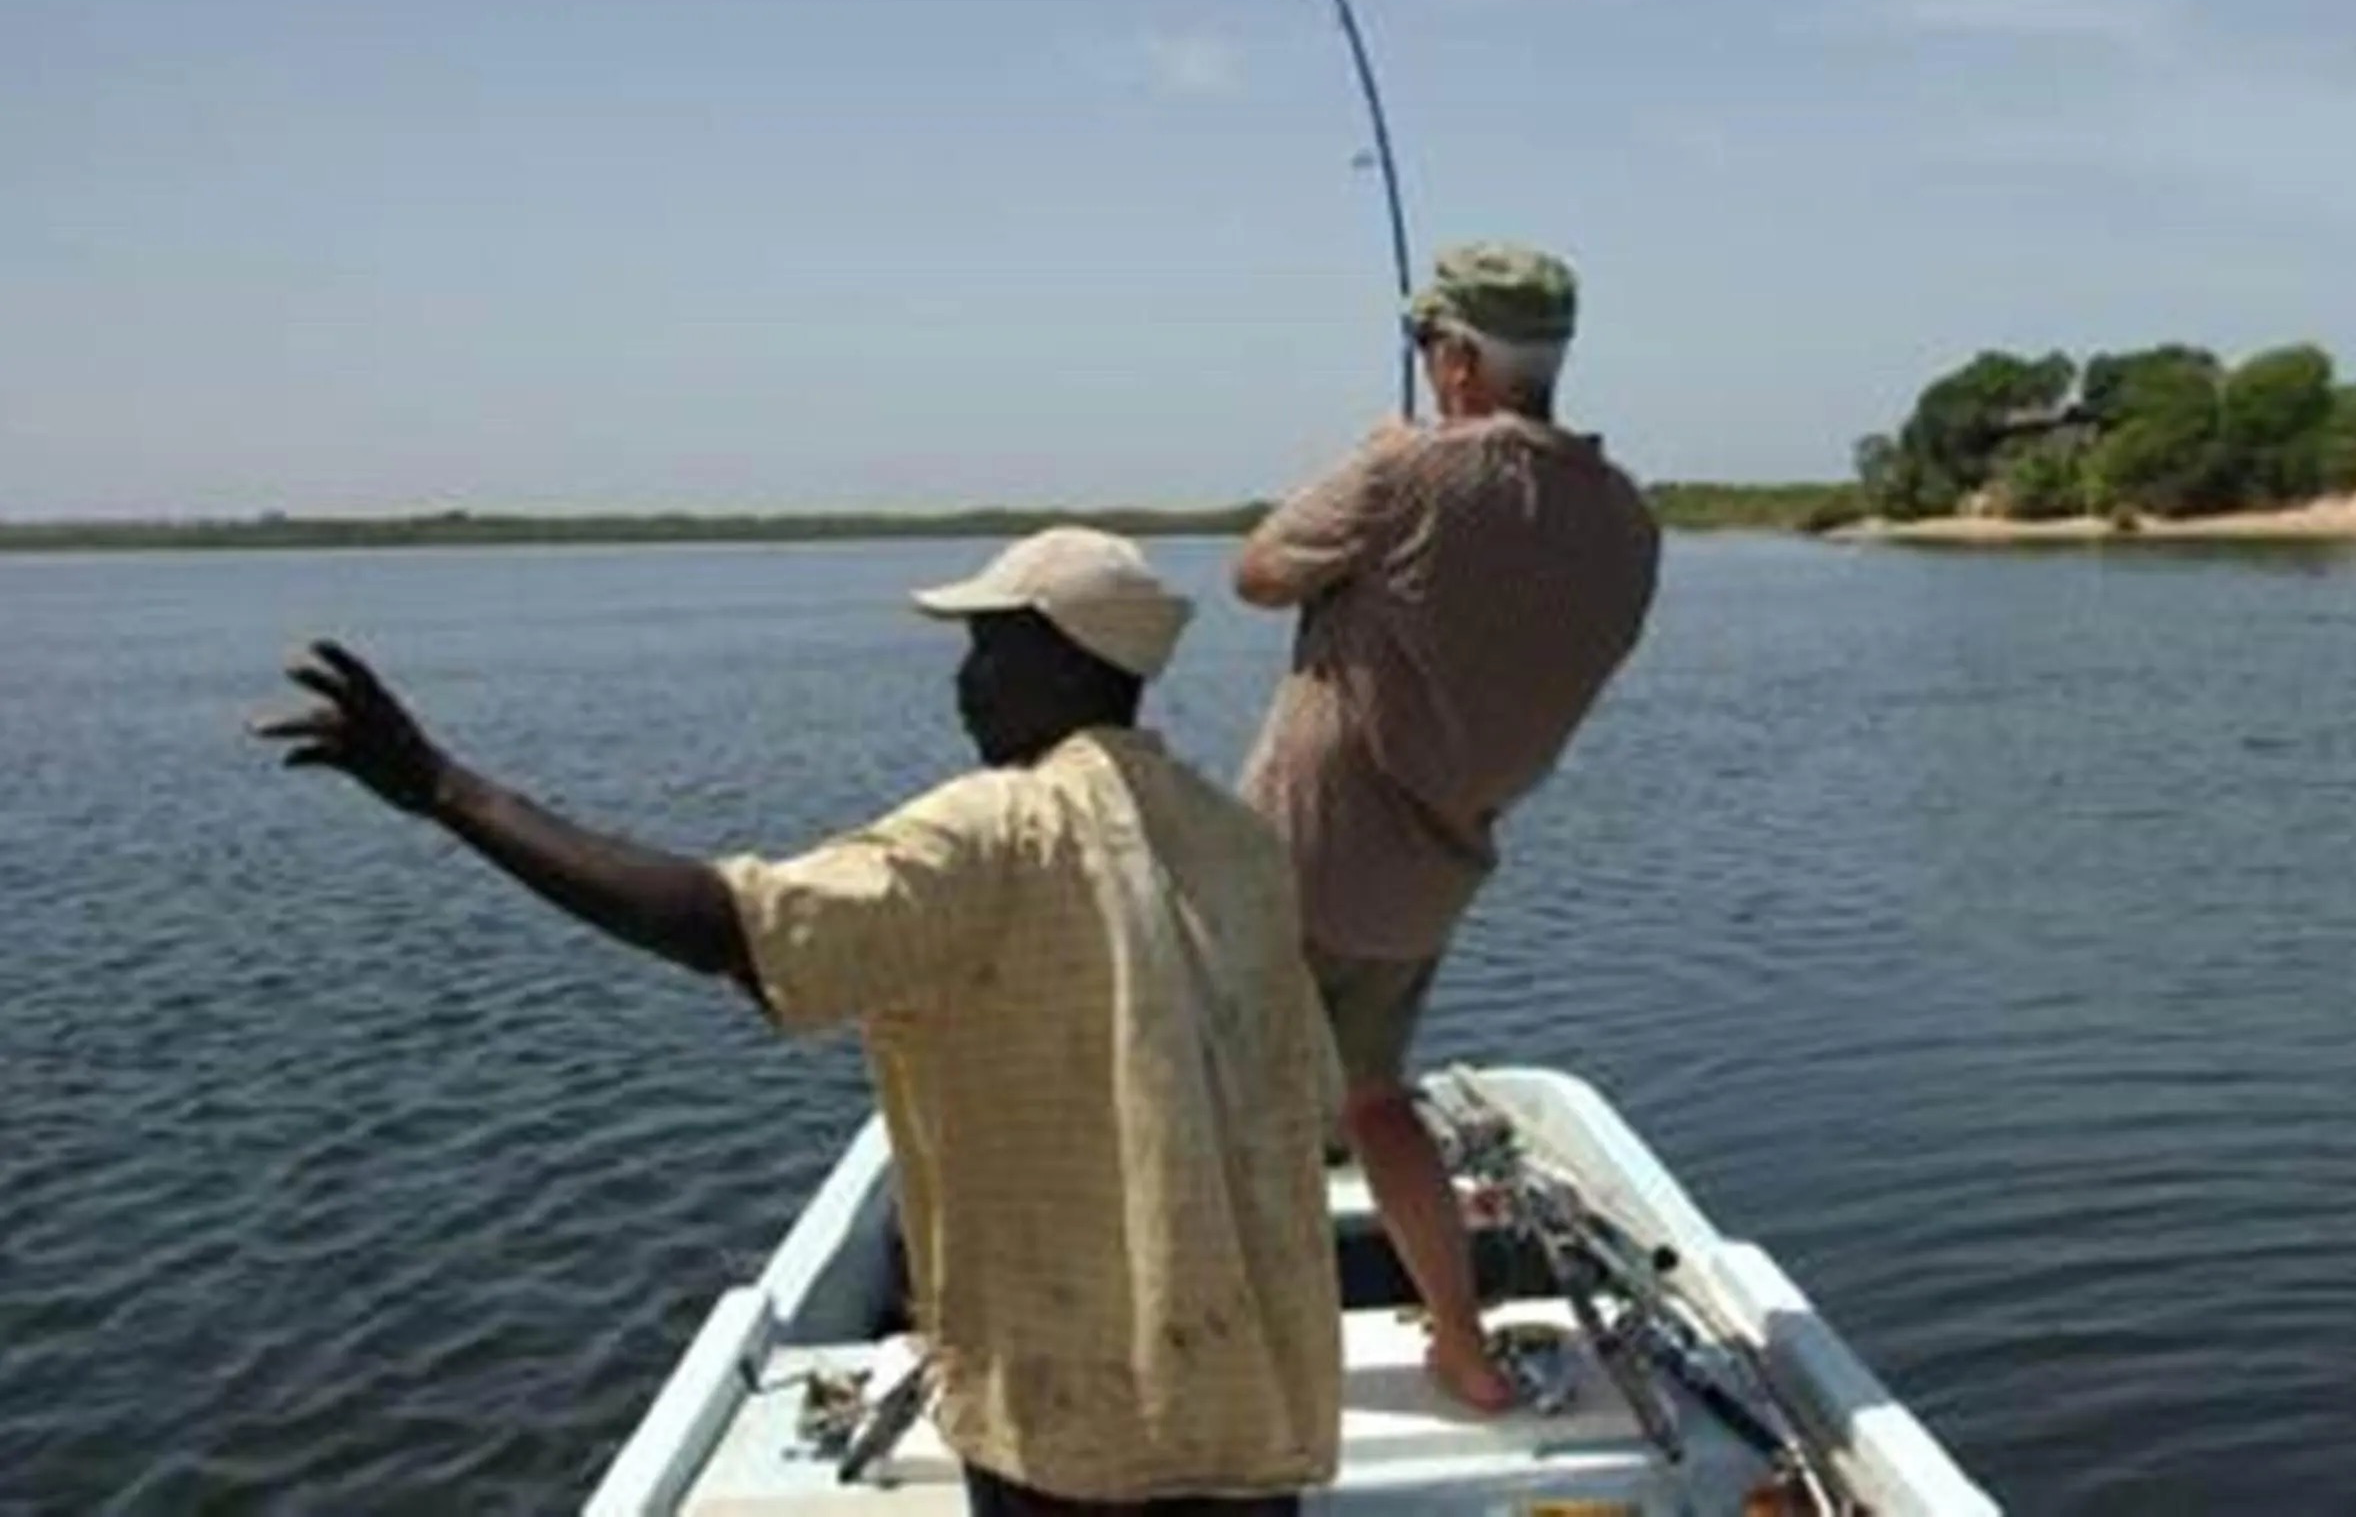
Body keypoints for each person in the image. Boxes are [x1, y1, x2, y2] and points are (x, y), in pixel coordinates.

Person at [253, 529, 1341, 1516]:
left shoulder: (996, 829)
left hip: (1080, 1421)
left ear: (1063, 658)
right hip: (1246, 1400)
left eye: (985, 651)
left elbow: (727, 924)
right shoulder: (1234, 841)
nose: (965, 684)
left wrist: (448, 789)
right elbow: (1305, 1095)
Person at [1233, 242, 1661, 1410]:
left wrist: (1381, 453)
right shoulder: (1628, 519)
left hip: (1293, 860)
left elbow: (1259, 570)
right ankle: (1461, 1354)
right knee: (1375, 1101)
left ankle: (1236, 1372)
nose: (1427, 370)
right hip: (1428, 875)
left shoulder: (1407, 474)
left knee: (1224, 1109)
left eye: (1432, 348)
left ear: (1461, 358)